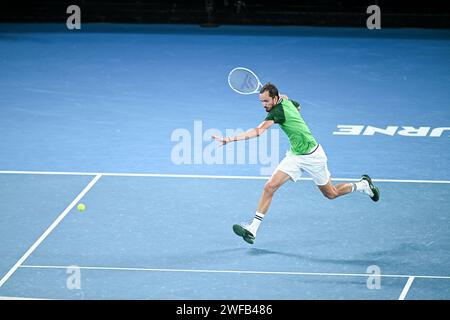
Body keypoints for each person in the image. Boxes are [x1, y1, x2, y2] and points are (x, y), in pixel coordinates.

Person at [212, 83, 380, 244]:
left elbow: (258, 132)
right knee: (269, 187)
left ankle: (363, 185)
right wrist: (285, 101)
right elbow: (297, 106)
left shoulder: (277, 112)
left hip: (314, 157)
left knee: (331, 193)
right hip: (295, 156)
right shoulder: (285, 101)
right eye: (261, 101)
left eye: (266, 101)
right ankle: (253, 229)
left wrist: (229, 139)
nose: (263, 105)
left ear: (275, 98)